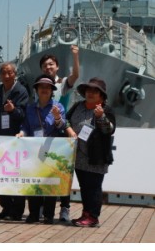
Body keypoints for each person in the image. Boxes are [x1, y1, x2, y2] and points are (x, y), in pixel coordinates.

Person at [17, 75, 67, 225]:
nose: (44, 90)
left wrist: (58, 117)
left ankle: (49, 215)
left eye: (48, 87)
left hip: (52, 149)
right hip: (33, 149)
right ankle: (33, 213)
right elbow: (25, 126)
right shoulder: (30, 108)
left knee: (50, 183)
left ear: (52, 90)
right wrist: (21, 133)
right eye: (41, 87)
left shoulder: (59, 107)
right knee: (34, 182)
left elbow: (62, 127)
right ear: (37, 90)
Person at [66, 78, 116, 227]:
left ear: (101, 96)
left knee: (94, 187)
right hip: (78, 156)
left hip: (97, 157)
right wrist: (68, 129)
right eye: (88, 90)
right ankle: (85, 214)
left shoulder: (107, 110)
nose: (90, 93)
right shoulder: (77, 106)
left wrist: (101, 117)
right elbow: (65, 120)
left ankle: (93, 217)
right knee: (84, 187)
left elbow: (109, 129)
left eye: (95, 91)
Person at [39, 45, 80, 221]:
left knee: (63, 170)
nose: (48, 67)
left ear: (57, 66)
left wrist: (75, 56)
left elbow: (75, 76)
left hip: (62, 130)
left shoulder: (62, 83)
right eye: (45, 65)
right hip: (44, 133)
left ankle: (65, 207)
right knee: (42, 170)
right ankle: (41, 205)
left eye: (51, 64)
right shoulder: (40, 84)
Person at [0, 62, 29, 221]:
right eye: (3, 73)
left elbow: (24, 115)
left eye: (9, 73)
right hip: (1, 137)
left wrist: (12, 110)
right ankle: (5, 207)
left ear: (15, 74)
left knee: (16, 174)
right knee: (2, 174)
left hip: (16, 138)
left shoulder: (21, 91)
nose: (6, 76)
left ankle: (18, 210)